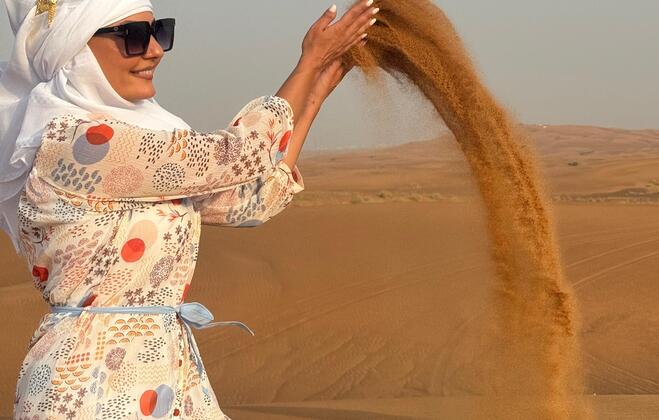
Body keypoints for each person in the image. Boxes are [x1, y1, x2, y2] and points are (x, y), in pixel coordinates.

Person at [2, 0, 378, 418]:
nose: (155, 50)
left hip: (164, 370)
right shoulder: (80, 146)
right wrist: (308, 64)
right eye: (133, 36)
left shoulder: (143, 153)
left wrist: (313, 98)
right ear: (74, 51)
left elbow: (250, 201)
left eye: (158, 31)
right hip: (89, 382)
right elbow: (237, 154)